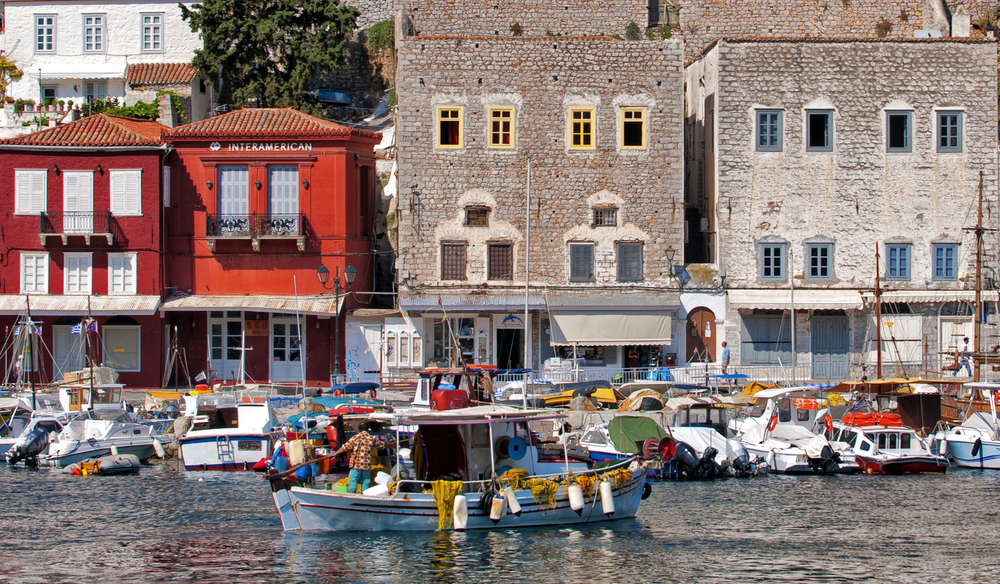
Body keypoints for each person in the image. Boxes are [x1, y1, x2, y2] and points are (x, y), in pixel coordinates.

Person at [333, 421, 386, 493]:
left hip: (356, 465)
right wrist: (390, 445)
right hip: (366, 465)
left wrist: (335, 453)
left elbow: (345, 447)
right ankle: (364, 495)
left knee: (353, 480)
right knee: (365, 482)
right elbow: (382, 445)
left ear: (360, 429)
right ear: (367, 429)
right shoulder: (372, 438)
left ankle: (352, 494)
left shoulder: (356, 437)